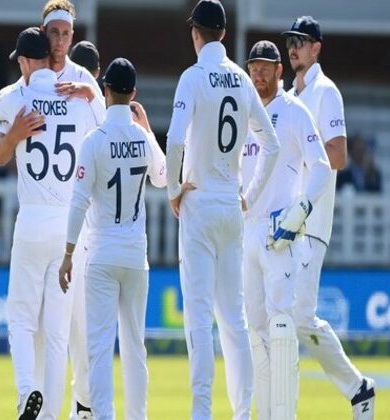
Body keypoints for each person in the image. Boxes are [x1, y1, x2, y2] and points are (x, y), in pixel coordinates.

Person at [165, 1, 280, 418]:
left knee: (199, 316)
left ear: (197, 33)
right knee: (235, 319)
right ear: (224, 35)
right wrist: (247, 193)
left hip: (199, 203)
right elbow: (272, 144)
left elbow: (175, 141)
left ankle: (202, 413)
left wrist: (174, 190)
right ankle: (243, 413)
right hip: (230, 203)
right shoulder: (240, 78)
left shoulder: (192, 77)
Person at [0, 26, 99, 420]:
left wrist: (15, 124)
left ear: (23, 62)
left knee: (20, 319)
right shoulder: (79, 97)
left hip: (32, 218)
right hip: (67, 225)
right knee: (56, 334)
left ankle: (25, 394)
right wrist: (92, 93)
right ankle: (50, 414)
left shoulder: (18, 96)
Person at [59, 57, 166, 420]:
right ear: (132, 93)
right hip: (136, 255)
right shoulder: (140, 137)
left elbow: (78, 201)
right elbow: (164, 177)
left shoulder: (94, 141)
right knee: (135, 346)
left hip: (102, 253)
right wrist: (149, 130)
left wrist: (69, 252)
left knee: (100, 348)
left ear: (106, 91)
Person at [282, 16, 376, 419]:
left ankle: (358, 388)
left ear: (316, 47)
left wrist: (303, 147)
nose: (293, 49)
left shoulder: (326, 92)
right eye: (290, 42)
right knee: (278, 320)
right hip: (279, 224)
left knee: (300, 318)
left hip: (312, 222)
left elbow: (336, 156)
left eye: (301, 42)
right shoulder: (287, 94)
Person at [242, 40, 332, 419]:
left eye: (266, 67)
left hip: (281, 234)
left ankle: (284, 415)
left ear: (280, 71)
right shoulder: (243, 113)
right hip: (247, 232)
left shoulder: (294, 113)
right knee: (256, 330)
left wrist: (300, 210)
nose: (259, 74)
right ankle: (265, 413)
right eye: (254, 67)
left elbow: (323, 167)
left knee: (281, 327)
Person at [67, 37, 101, 420]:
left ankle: (81, 408)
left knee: (66, 333)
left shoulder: (74, 102)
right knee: (87, 334)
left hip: (67, 230)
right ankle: (85, 409)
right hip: (92, 235)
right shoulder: (99, 108)